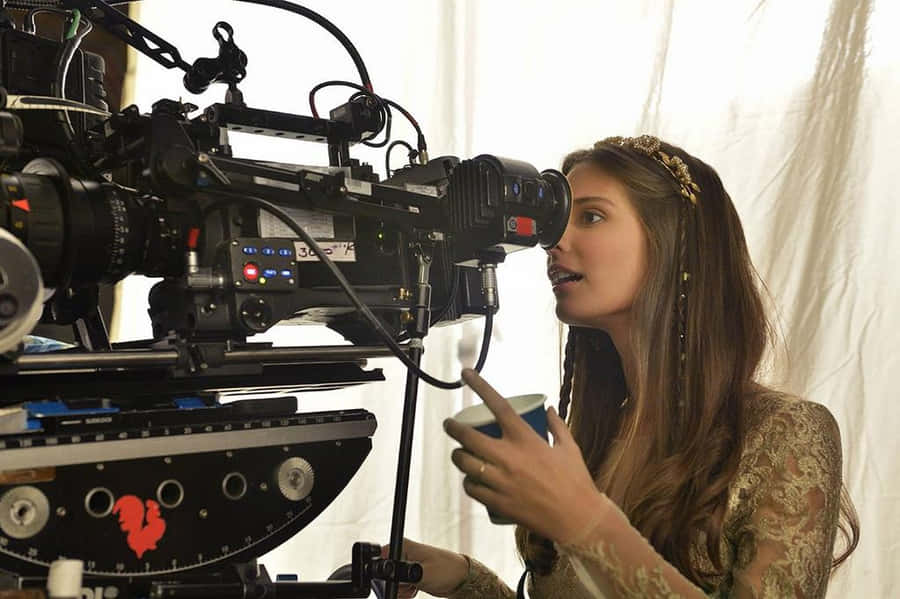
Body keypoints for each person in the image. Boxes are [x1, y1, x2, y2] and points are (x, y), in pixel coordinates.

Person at [384, 135, 859, 598]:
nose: (555, 242)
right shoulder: (598, 432)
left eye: (591, 216)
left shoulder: (787, 435)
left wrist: (585, 523)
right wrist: (460, 578)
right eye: (559, 221)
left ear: (675, 245)